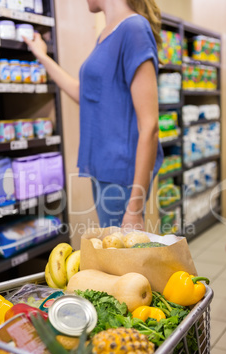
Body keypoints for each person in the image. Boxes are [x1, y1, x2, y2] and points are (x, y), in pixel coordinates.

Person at [24, 0, 163, 230]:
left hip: (121, 177)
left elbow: (150, 125)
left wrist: (135, 208)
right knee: (114, 258)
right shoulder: (107, 34)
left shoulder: (133, 28)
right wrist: (42, 56)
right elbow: (83, 93)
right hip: (103, 170)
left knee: (119, 261)